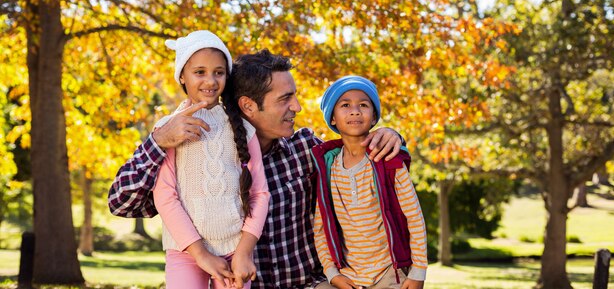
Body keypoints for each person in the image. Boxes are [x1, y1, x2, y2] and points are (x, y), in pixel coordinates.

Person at [108, 49, 405, 289]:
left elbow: (366, 168)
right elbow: (122, 202)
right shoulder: (204, 159)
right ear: (249, 106)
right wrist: (159, 141)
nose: (298, 107)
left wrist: (390, 138)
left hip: (312, 283)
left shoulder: (305, 149)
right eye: (285, 98)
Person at [150, 30, 269, 289]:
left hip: (234, 252)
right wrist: (200, 254)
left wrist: (244, 252)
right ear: (182, 75)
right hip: (186, 252)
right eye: (200, 72)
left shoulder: (243, 129)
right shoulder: (168, 129)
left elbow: (260, 194)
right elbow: (165, 196)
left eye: (218, 72)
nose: (210, 81)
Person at [312, 76, 427, 289]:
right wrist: (331, 273)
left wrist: (418, 272)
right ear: (333, 118)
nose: (355, 111)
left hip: (390, 273)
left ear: (374, 117)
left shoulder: (390, 162)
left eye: (363, 105)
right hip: (348, 276)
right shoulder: (326, 167)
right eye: (345, 105)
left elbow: (415, 217)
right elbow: (320, 227)